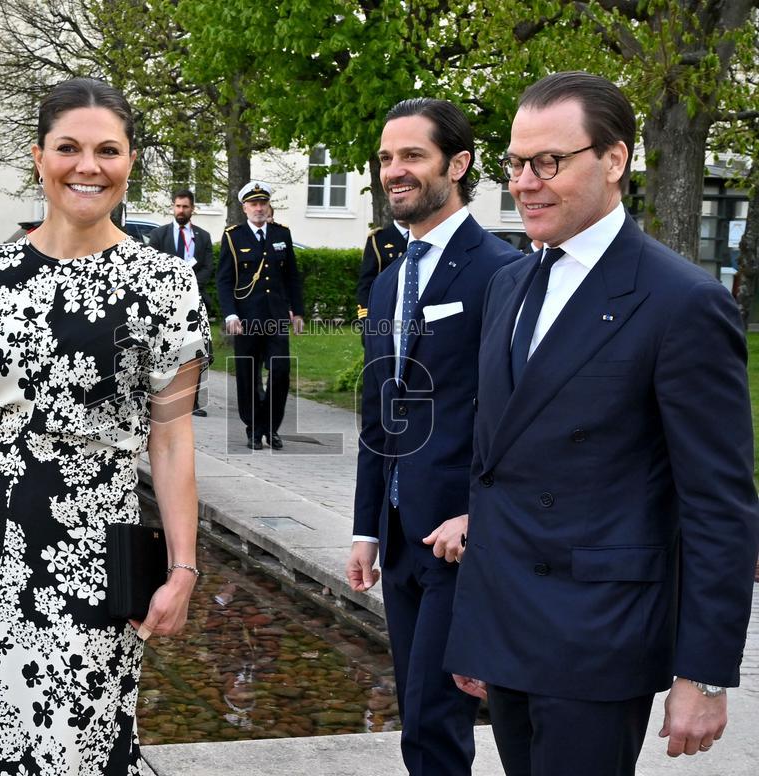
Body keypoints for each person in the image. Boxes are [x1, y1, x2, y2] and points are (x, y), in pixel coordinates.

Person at [445, 71, 759, 776]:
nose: (524, 182)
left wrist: (704, 675)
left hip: (600, 637)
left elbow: (720, 507)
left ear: (614, 160)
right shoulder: (509, 285)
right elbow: (491, 469)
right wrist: (477, 633)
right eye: (516, 164)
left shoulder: (682, 303)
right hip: (511, 626)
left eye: (548, 162)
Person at [0, 77, 209, 776]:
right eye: (68, 147)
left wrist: (185, 568)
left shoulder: (164, 285)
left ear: (130, 161)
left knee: (84, 746)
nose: (88, 166)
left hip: (98, 554)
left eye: (108, 150)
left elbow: (171, 439)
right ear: (38, 156)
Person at [347, 98, 520, 776]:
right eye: (387, 158)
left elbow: (519, 416)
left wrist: (479, 514)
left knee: (432, 719)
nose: (395, 171)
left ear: (459, 163)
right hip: (400, 532)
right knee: (422, 718)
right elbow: (376, 412)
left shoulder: (501, 271)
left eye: (412, 156)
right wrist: (366, 527)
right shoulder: (389, 282)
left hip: (463, 538)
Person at [216, 181, 304, 451]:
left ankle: (271, 427)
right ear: (244, 208)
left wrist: (298, 311)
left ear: (269, 206)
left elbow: (292, 277)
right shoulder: (234, 236)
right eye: (253, 204)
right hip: (246, 319)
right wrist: (230, 314)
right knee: (248, 374)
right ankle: (253, 428)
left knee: (280, 372)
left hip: (276, 317)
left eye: (262, 203)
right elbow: (224, 280)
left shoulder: (281, 234)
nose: (259, 208)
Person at [147, 189, 214, 417]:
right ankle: (163, 395)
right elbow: (154, 268)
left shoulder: (203, 237)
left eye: (185, 207)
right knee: (168, 351)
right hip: (167, 304)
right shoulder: (159, 236)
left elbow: (207, 267)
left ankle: (192, 402)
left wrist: (191, 286)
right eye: (177, 206)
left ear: (192, 209)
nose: (181, 211)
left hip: (195, 303)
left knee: (195, 351)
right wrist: (176, 288)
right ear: (173, 207)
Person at [355, 218, 409, 326]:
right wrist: (367, 321)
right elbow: (366, 283)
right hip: (386, 315)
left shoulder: (428, 236)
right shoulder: (378, 239)